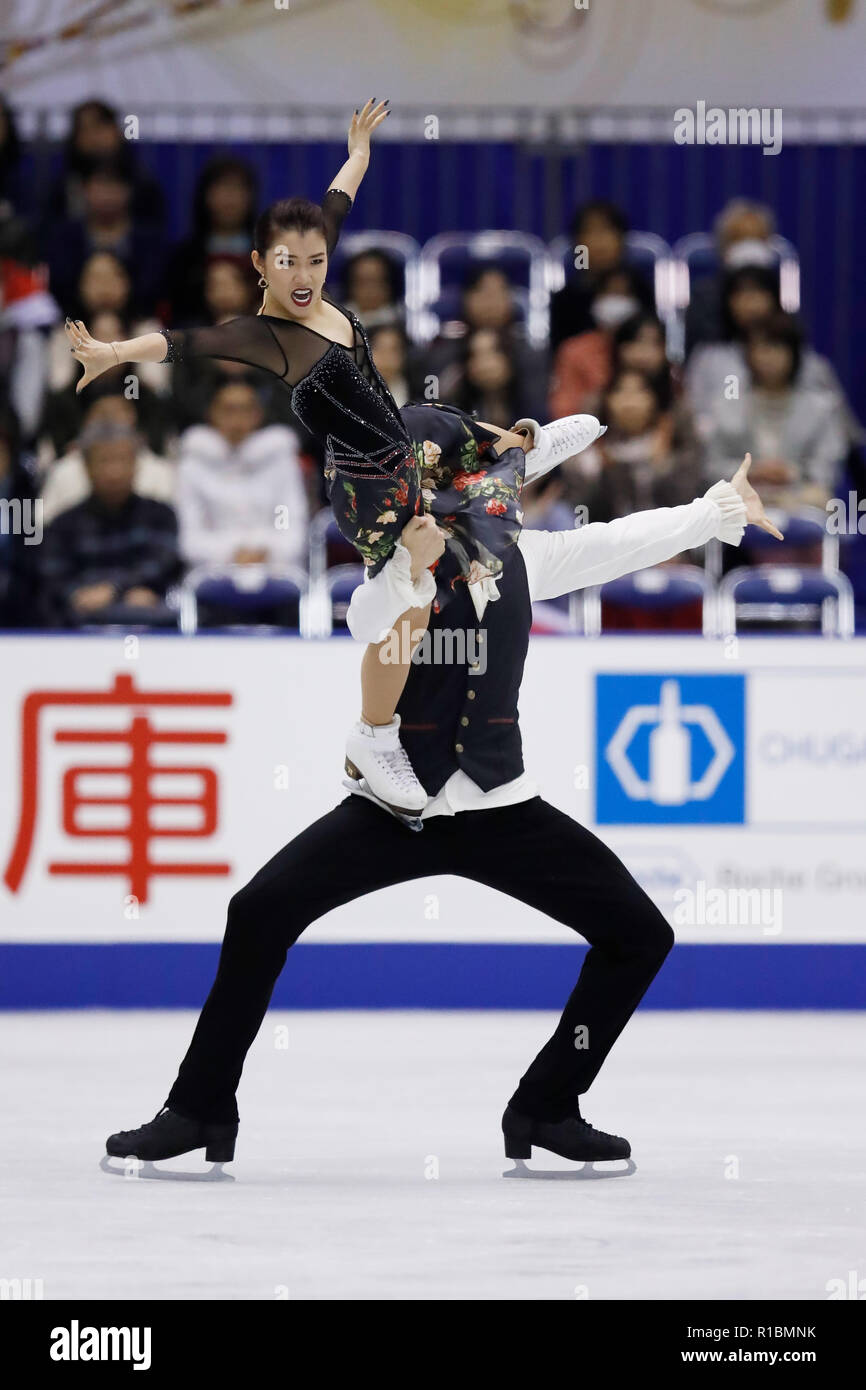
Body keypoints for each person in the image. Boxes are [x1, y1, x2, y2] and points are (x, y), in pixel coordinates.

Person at [102, 456, 782, 1173]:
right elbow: (367, 629)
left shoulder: (527, 557)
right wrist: (409, 572)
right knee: (258, 912)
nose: (490, 493)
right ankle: (200, 1108)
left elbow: (619, 543)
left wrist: (717, 509)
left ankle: (547, 1106)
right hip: (396, 807)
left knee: (639, 935)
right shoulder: (393, 566)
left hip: (500, 807)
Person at [65, 100, 602, 826]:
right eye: (288, 263)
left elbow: (336, 204)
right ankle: (374, 737)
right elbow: (184, 343)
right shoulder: (267, 335)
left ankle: (520, 451)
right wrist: (112, 352)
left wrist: (358, 154)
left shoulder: (315, 271)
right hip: (369, 488)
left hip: (401, 439)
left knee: (441, 421)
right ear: (259, 264)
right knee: (422, 586)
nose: (305, 274)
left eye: (316, 260)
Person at [37, 421, 181, 628]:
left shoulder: (160, 515)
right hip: (79, 623)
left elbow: (162, 564)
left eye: (122, 460)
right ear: (86, 467)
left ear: (136, 464)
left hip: (150, 617)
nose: (114, 471)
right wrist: (79, 594)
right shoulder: (63, 525)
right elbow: (53, 575)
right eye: (104, 461)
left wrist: (114, 590)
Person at [701, 314, 847, 511]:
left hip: (799, 497)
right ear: (748, 354)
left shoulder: (820, 407)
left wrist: (791, 472)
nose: (768, 357)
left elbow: (829, 466)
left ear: (794, 353)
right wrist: (753, 471)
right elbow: (711, 465)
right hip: (742, 497)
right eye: (761, 348)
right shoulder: (725, 405)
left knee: (819, 500)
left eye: (777, 347)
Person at [176, 377, 308, 571]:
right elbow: (190, 538)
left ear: (258, 415)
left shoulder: (281, 462)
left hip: (274, 567)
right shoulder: (193, 466)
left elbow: (290, 525)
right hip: (213, 570)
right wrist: (232, 553)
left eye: (245, 410)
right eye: (229, 410)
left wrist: (267, 550)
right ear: (212, 413)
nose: (237, 419)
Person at [549, 200, 654, 351]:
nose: (599, 241)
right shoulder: (566, 300)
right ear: (577, 244)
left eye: (607, 230)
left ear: (621, 239)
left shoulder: (641, 291)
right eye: (589, 231)